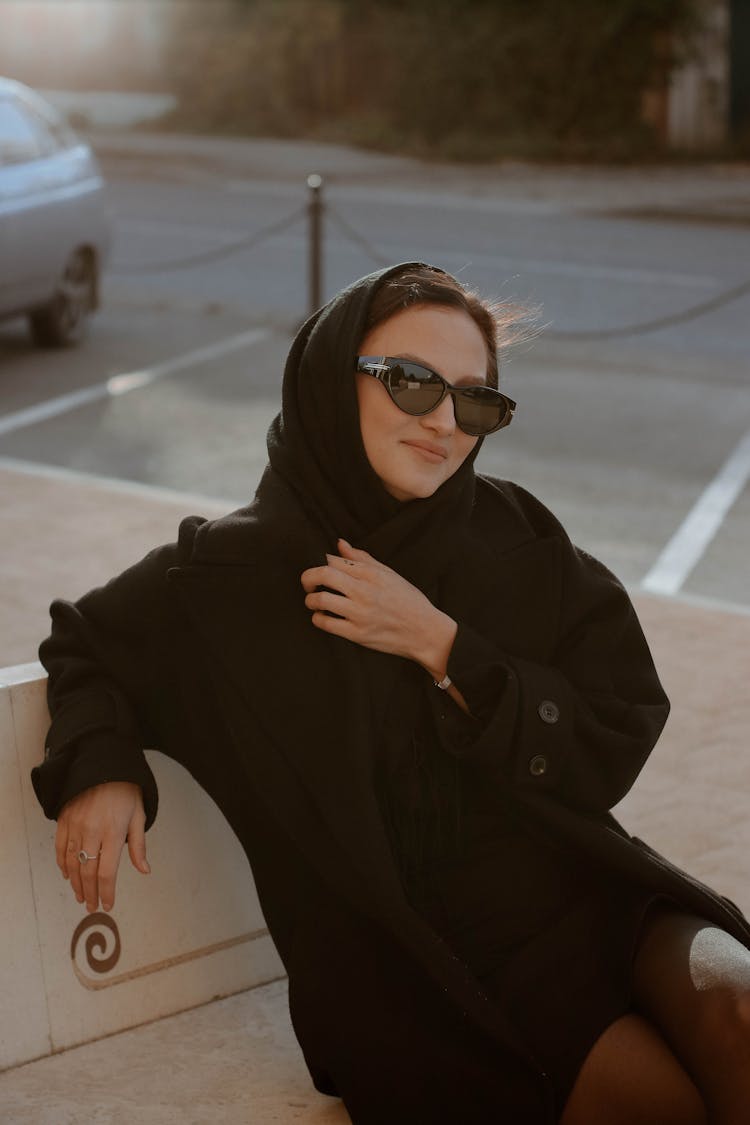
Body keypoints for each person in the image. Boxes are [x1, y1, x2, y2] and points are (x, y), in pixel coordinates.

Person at [31, 262, 750, 1124]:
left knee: (741, 1009)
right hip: (416, 969)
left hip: (583, 890)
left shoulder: (514, 534)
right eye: (412, 383)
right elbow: (86, 645)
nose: (445, 423)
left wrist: (442, 645)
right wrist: (101, 763)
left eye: (476, 400)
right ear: (335, 381)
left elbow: (619, 718)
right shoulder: (225, 578)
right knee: (660, 1105)